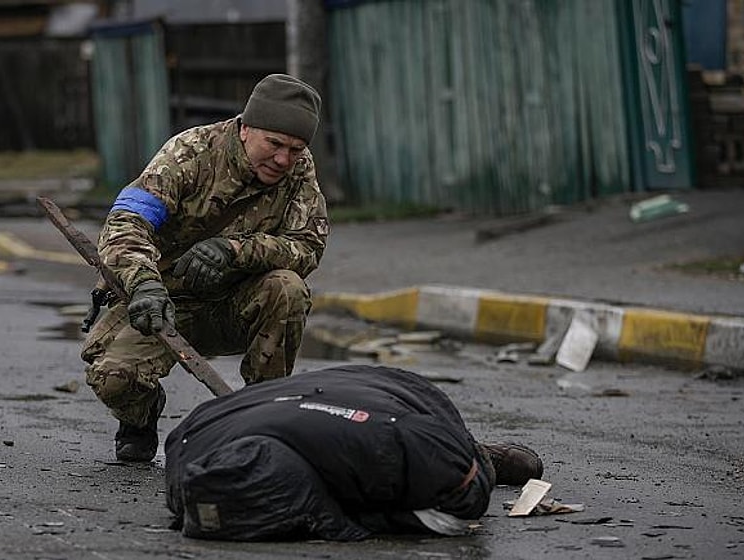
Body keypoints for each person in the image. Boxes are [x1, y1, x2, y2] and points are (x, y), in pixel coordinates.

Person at [81, 74, 330, 462]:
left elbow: (307, 247)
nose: (284, 159)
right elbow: (125, 222)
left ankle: (261, 417)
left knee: (288, 287)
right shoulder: (189, 153)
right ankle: (140, 415)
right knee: (114, 379)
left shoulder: (298, 171)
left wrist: (236, 251)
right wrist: (144, 283)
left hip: (235, 304)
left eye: (296, 149)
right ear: (246, 129)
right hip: (164, 304)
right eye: (275, 144)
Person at [164, 364, 544, 541]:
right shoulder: (193, 454)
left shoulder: (395, 446)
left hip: (382, 398)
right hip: (286, 405)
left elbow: (463, 497)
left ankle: (478, 450)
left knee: (455, 464)